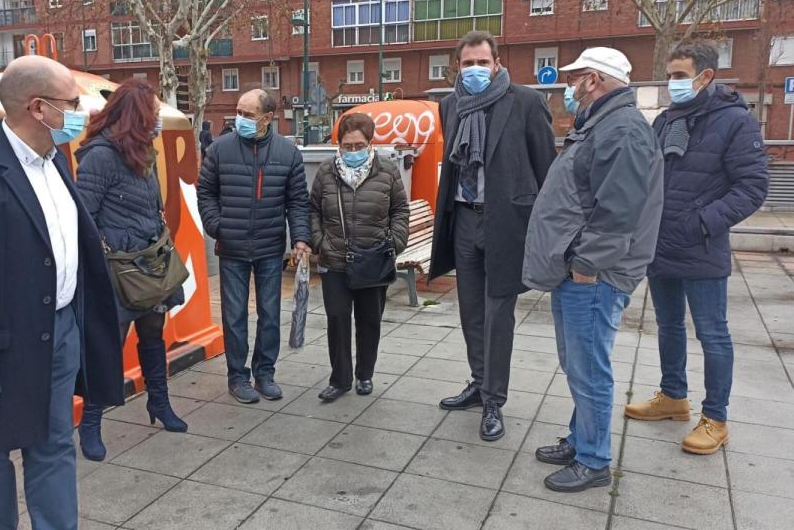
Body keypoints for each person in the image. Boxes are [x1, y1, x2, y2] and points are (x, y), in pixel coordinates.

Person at [0, 55, 124, 528]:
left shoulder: (58, 161)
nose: (83, 112)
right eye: (71, 102)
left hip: (57, 336)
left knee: (54, 444)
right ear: (38, 108)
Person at [523, 47, 664, 493]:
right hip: (582, 270)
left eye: (576, 77)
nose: (570, 86)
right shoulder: (603, 124)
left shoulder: (621, 129)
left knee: (588, 367)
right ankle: (580, 438)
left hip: (595, 275)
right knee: (577, 363)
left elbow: (619, 211)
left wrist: (586, 265)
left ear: (594, 80)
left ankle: (594, 459)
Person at [624, 42, 768, 454]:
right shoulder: (667, 120)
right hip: (661, 245)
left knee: (712, 334)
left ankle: (716, 418)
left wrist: (703, 223)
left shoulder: (735, 121)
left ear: (706, 77)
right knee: (667, 326)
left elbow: (753, 187)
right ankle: (673, 397)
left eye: (680, 75)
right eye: (670, 75)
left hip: (701, 247)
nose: (673, 84)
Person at [428, 30, 556, 441]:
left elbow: (546, 170)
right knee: (470, 311)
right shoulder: (450, 105)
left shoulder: (526, 102)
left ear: (497, 64)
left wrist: (544, 230)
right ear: (458, 68)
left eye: (483, 62)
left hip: (506, 223)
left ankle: (493, 401)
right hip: (464, 218)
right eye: (469, 64)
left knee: (499, 315)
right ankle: (479, 382)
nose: (477, 70)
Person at [74, 78, 188, 462]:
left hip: (150, 265)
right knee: (109, 346)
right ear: (137, 116)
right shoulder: (100, 156)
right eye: (153, 113)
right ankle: (90, 423)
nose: (157, 120)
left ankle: (159, 402)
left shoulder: (143, 151)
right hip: (118, 273)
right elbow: (83, 218)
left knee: (153, 336)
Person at [197, 89, 311, 404]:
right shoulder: (219, 149)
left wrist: (301, 237)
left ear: (267, 118)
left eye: (248, 114)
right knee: (234, 315)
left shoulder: (288, 154)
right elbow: (205, 192)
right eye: (239, 112)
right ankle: (237, 376)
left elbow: (298, 201)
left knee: (269, 313)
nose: (241, 119)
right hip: (231, 247)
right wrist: (217, 226)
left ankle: (264, 373)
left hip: (270, 246)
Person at [310, 113, 410, 401]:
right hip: (335, 260)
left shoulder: (387, 170)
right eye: (346, 145)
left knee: (369, 321)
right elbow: (313, 209)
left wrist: (395, 242)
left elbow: (400, 210)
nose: (352, 151)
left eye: (358, 145)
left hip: (373, 260)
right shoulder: (327, 171)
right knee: (338, 320)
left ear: (370, 143)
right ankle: (339, 379)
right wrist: (320, 242)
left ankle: (364, 374)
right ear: (338, 144)